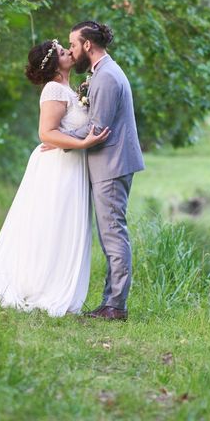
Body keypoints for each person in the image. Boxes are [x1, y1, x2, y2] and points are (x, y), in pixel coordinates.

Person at [0, 39, 110, 317]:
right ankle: (40, 284)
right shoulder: (52, 89)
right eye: (62, 52)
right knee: (53, 222)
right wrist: (84, 144)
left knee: (66, 224)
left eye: (66, 48)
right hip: (58, 166)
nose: (69, 52)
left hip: (72, 167)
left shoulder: (69, 89)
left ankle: (58, 282)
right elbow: (46, 134)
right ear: (53, 64)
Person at [47, 21, 145, 321]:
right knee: (109, 234)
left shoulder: (106, 78)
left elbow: (97, 129)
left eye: (73, 44)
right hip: (108, 164)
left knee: (113, 234)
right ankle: (111, 302)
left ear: (87, 45)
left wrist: (59, 141)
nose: (72, 51)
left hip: (112, 164)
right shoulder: (101, 73)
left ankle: (115, 305)